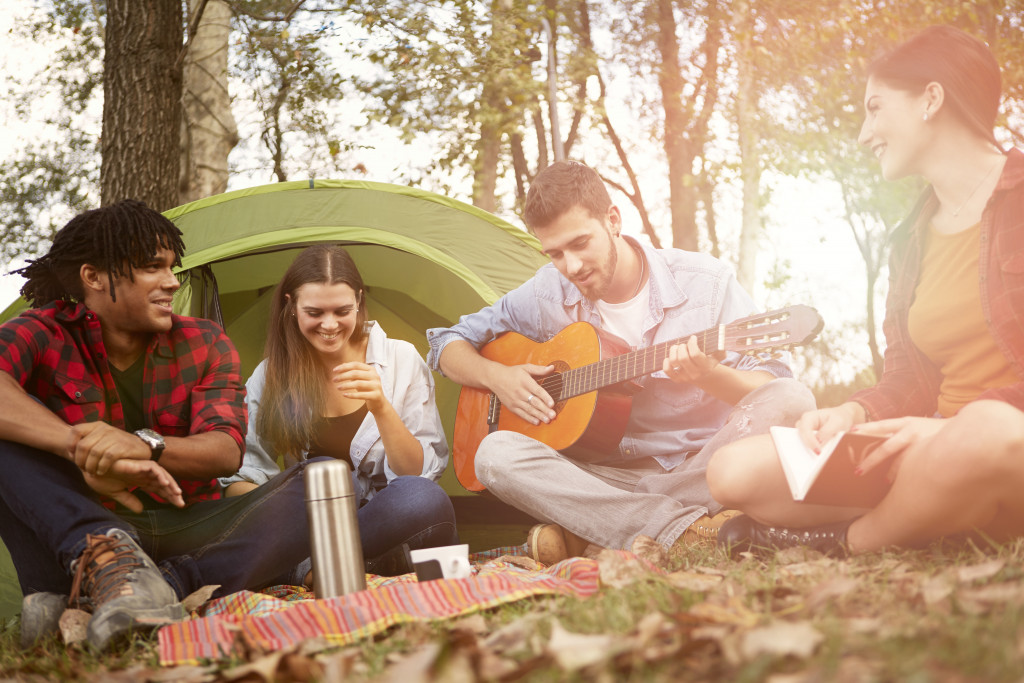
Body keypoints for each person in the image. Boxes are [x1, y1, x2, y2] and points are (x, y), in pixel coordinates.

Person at [707, 25, 1024, 556]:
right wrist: (854, 415)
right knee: (733, 471)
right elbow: (906, 376)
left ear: (931, 98)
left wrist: (945, 431)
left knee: (987, 431)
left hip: (1000, 441)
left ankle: (853, 541)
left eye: (876, 108)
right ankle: (944, 513)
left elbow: (981, 428)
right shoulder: (912, 239)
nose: (863, 132)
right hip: (931, 442)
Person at [426, 160, 815, 563]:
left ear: (613, 220)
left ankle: (611, 526)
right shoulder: (547, 293)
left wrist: (710, 376)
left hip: (704, 465)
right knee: (493, 456)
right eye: (555, 253)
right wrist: (497, 377)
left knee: (793, 398)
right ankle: (681, 528)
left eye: (580, 244)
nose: (571, 267)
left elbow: (772, 385)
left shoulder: (706, 282)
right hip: (605, 477)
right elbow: (445, 344)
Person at [0, 200, 317, 650]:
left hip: (189, 525)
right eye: (153, 267)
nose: (172, 281)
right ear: (93, 277)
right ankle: (109, 568)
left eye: (172, 267)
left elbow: (225, 450)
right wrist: (77, 446)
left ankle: (158, 585)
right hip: (80, 538)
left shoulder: (204, 340)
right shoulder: (42, 331)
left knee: (324, 480)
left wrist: (139, 447)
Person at [220, 245, 456, 575]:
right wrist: (290, 511)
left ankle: (317, 567)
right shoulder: (271, 374)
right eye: (315, 313)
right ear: (291, 306)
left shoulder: (401, 359)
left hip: (385, 520)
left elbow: (415, 476)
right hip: (311, 520)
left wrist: (381, 407)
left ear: (359, 301)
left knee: (424, 499)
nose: (329, 325)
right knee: (323, 471)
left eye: (342, 311)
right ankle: (359, 565)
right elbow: (241, 478)